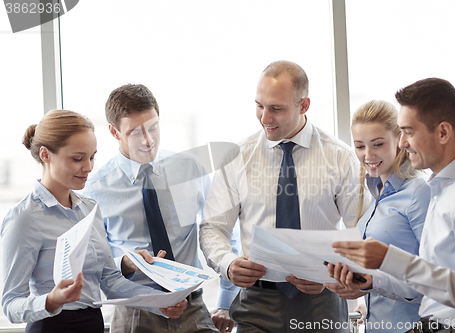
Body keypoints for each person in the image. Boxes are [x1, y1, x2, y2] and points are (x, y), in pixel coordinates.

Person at [199, 60, 368, 333]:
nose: (265, 117)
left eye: (276, 108)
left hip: (322, 300)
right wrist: (228, 263)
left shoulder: (340, 157)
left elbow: (362, 233)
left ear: (304, 105)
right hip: (256, 303)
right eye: (259, 106)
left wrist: (328, 274)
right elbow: (212, 228)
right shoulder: (238, 157)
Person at [332, 78, 455, 332]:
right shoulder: (440, 189)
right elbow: (430, 282)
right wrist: (372, 280)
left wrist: (389, 258)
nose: (402, 143)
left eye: (409, 132)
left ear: (443, 132)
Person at [1, 110, 186, 333]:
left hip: (93, 325)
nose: (88, 167)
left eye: (92, 157)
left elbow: (110, 281)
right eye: (77, 159)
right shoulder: (24, 218)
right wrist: (51, 300)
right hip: (51, 326)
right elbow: (11, 304)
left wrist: (160, 302)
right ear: (45, 155)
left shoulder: (90, 209)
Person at [83, 84, 237, 333]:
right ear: (114, 132)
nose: (147, 140)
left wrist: (226, 302)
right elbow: (93, 265)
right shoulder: (95, 189)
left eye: (153, 127)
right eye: (134, 132)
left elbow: (222, 231)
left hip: (192, 308)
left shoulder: (190, 169)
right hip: (135, 312)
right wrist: (125, 262)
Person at [325, 100, 431, 332]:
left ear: (399, 141)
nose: (368, 155)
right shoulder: (372, 192)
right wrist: (360, 291)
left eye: (378, 144)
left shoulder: (418, 192)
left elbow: (435, 277)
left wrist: (373, 284)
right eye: (360, 146)